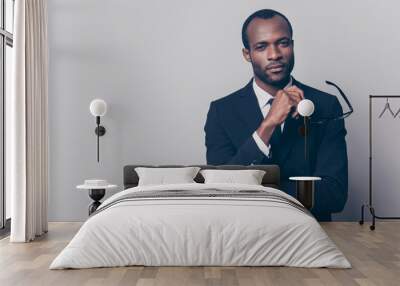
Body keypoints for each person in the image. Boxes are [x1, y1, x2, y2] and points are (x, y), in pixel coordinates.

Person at [204, 9, 348, 221]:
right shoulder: (221, 111)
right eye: (261, 46)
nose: (274, 54)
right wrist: (268, 124)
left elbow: (334, 195)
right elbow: (220, 190)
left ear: (292, 44)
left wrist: (254, 190)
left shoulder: (326, 105)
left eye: (282, 43)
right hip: (243, 236)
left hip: (309, 236)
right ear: (247, 54)